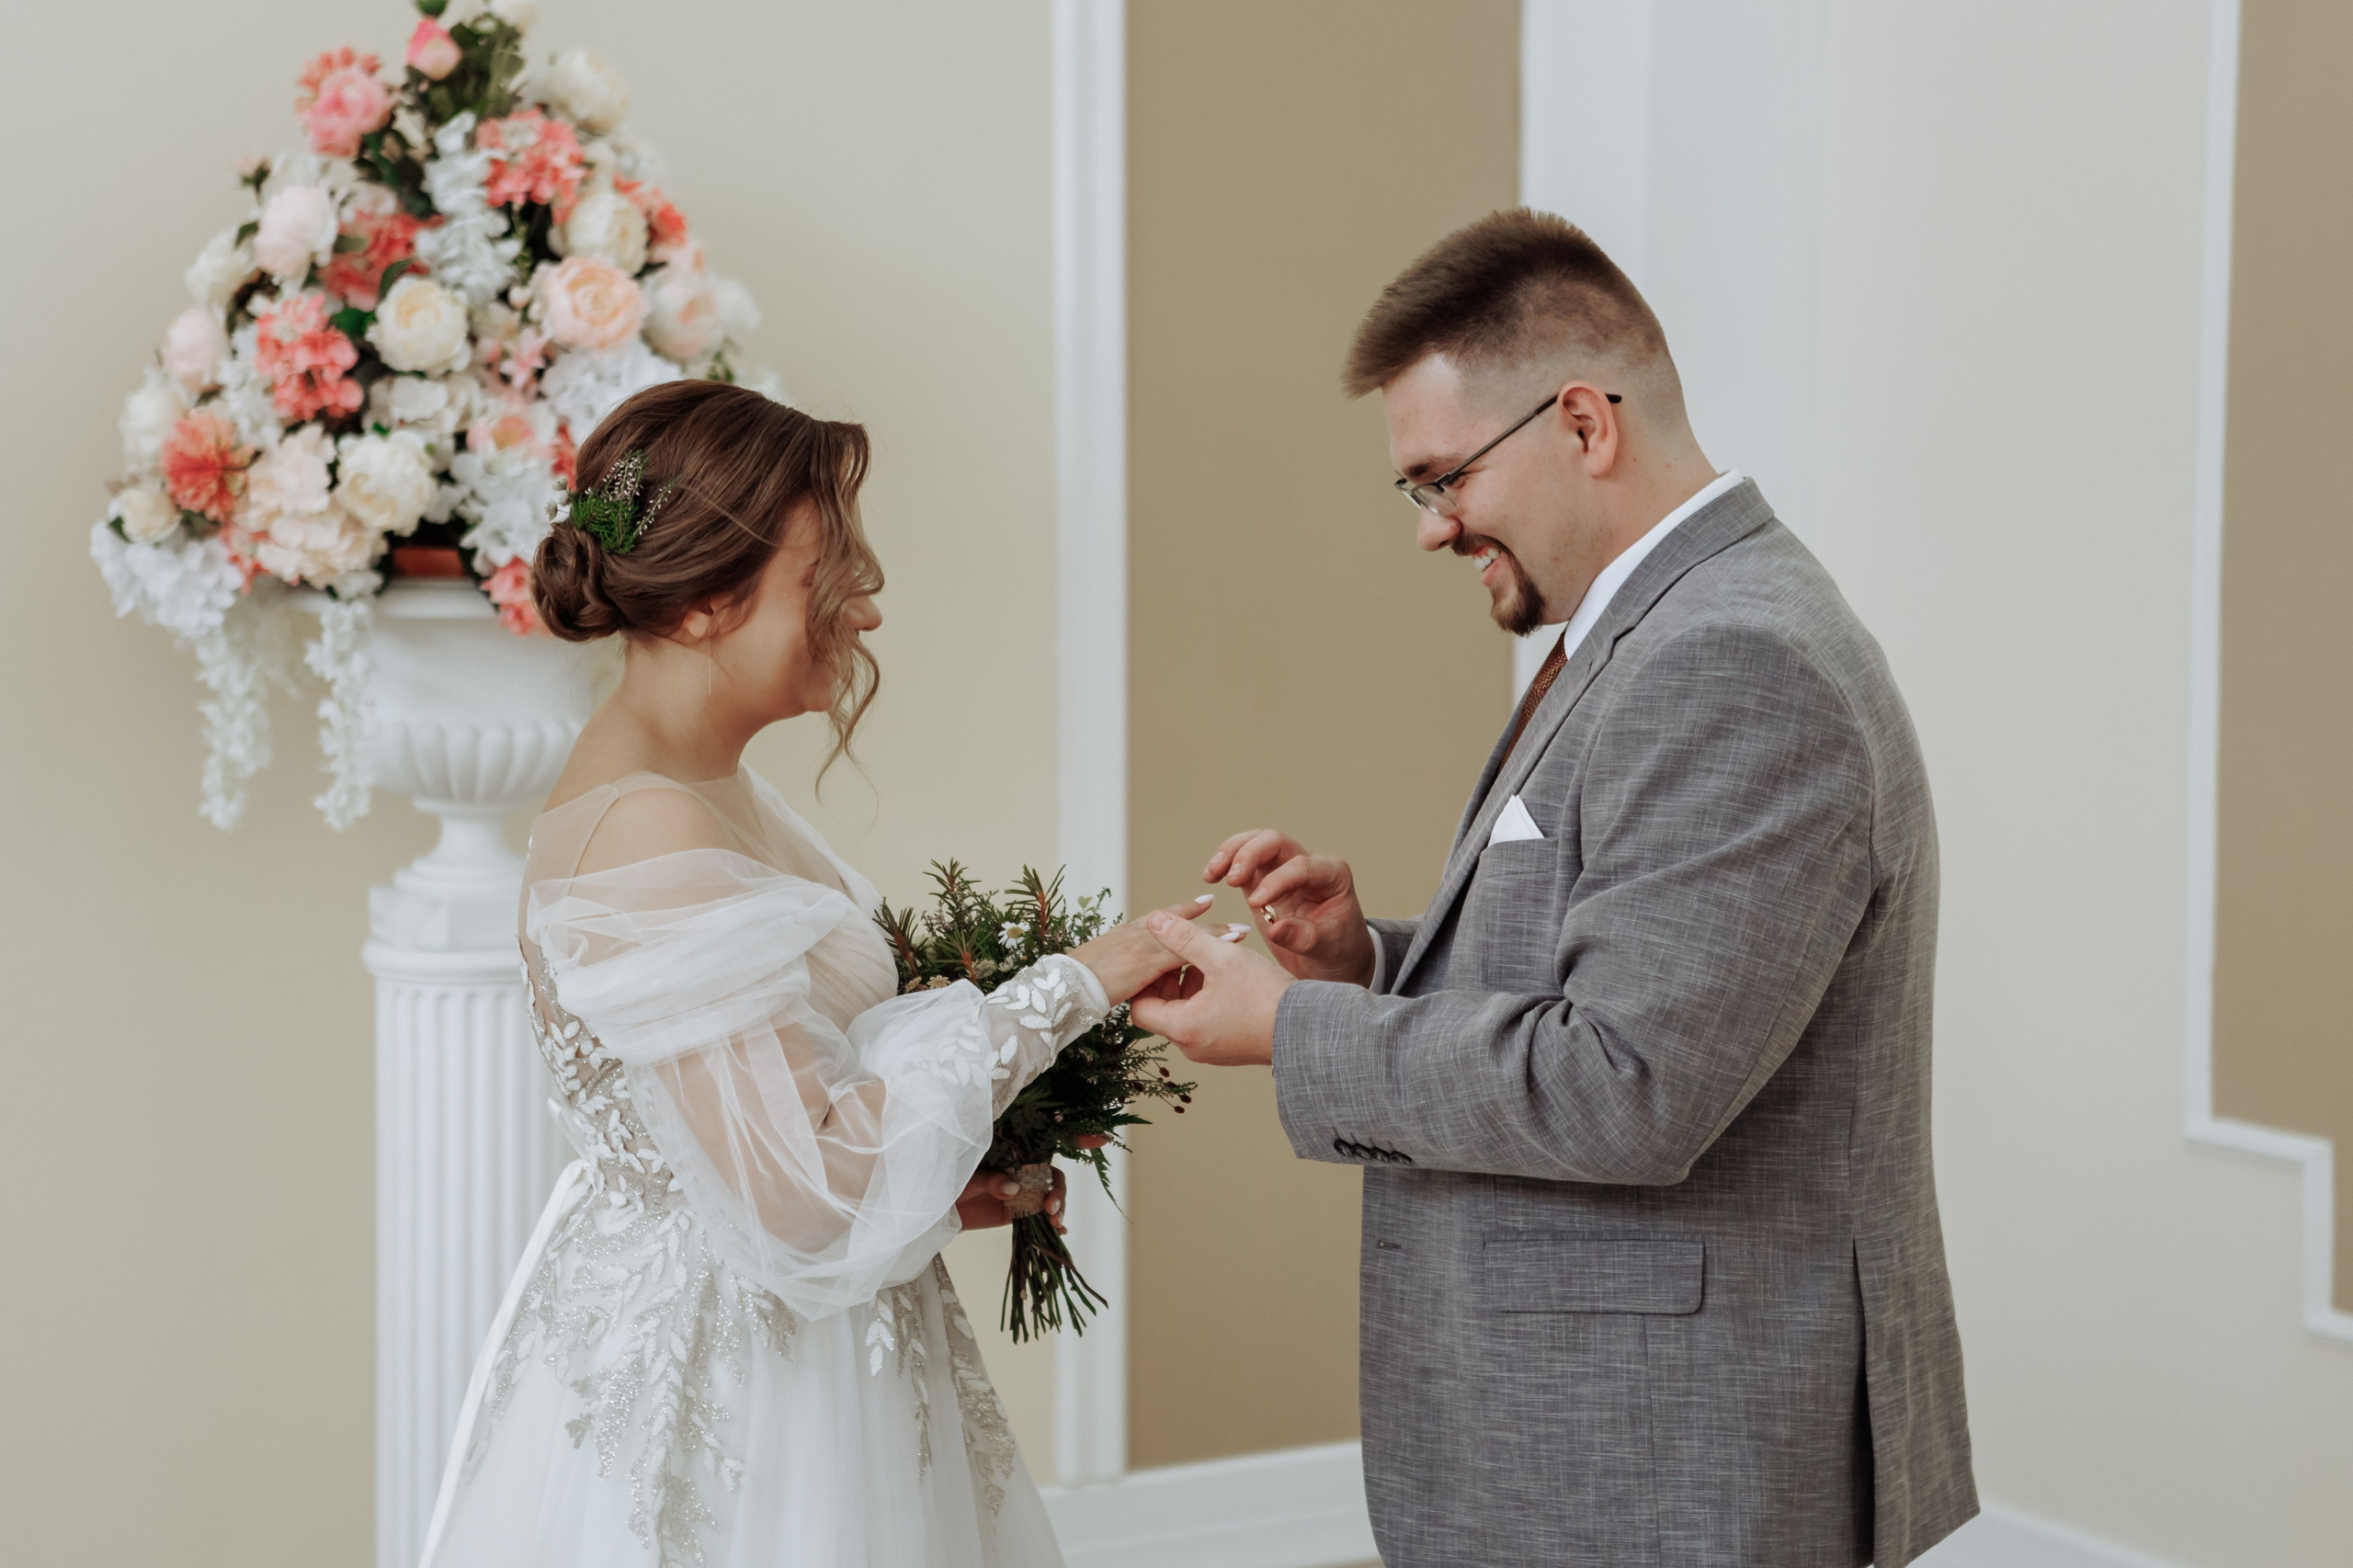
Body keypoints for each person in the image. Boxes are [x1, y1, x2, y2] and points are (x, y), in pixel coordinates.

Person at [1131, 209, 1977, 1568]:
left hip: (1671, 1450)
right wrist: (1371, 960)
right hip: (1611, 1435)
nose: (1431, 528)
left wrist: (1292, 1029)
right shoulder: (1654, 632)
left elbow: (1626, 1082)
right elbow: (1609, 975)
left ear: (1581, 421)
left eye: (1441, 477)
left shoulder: (1738, 661)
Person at [421, 379, 1200, 1568]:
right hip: (739, 1386)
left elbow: (762, 1131)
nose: (865, 610)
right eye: (822, 575)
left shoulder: (703, 782)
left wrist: (932, 1190)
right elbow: (805, 1197)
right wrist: (1074, 985)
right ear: (699, 608)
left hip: (804, 1329)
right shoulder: (647, 827)